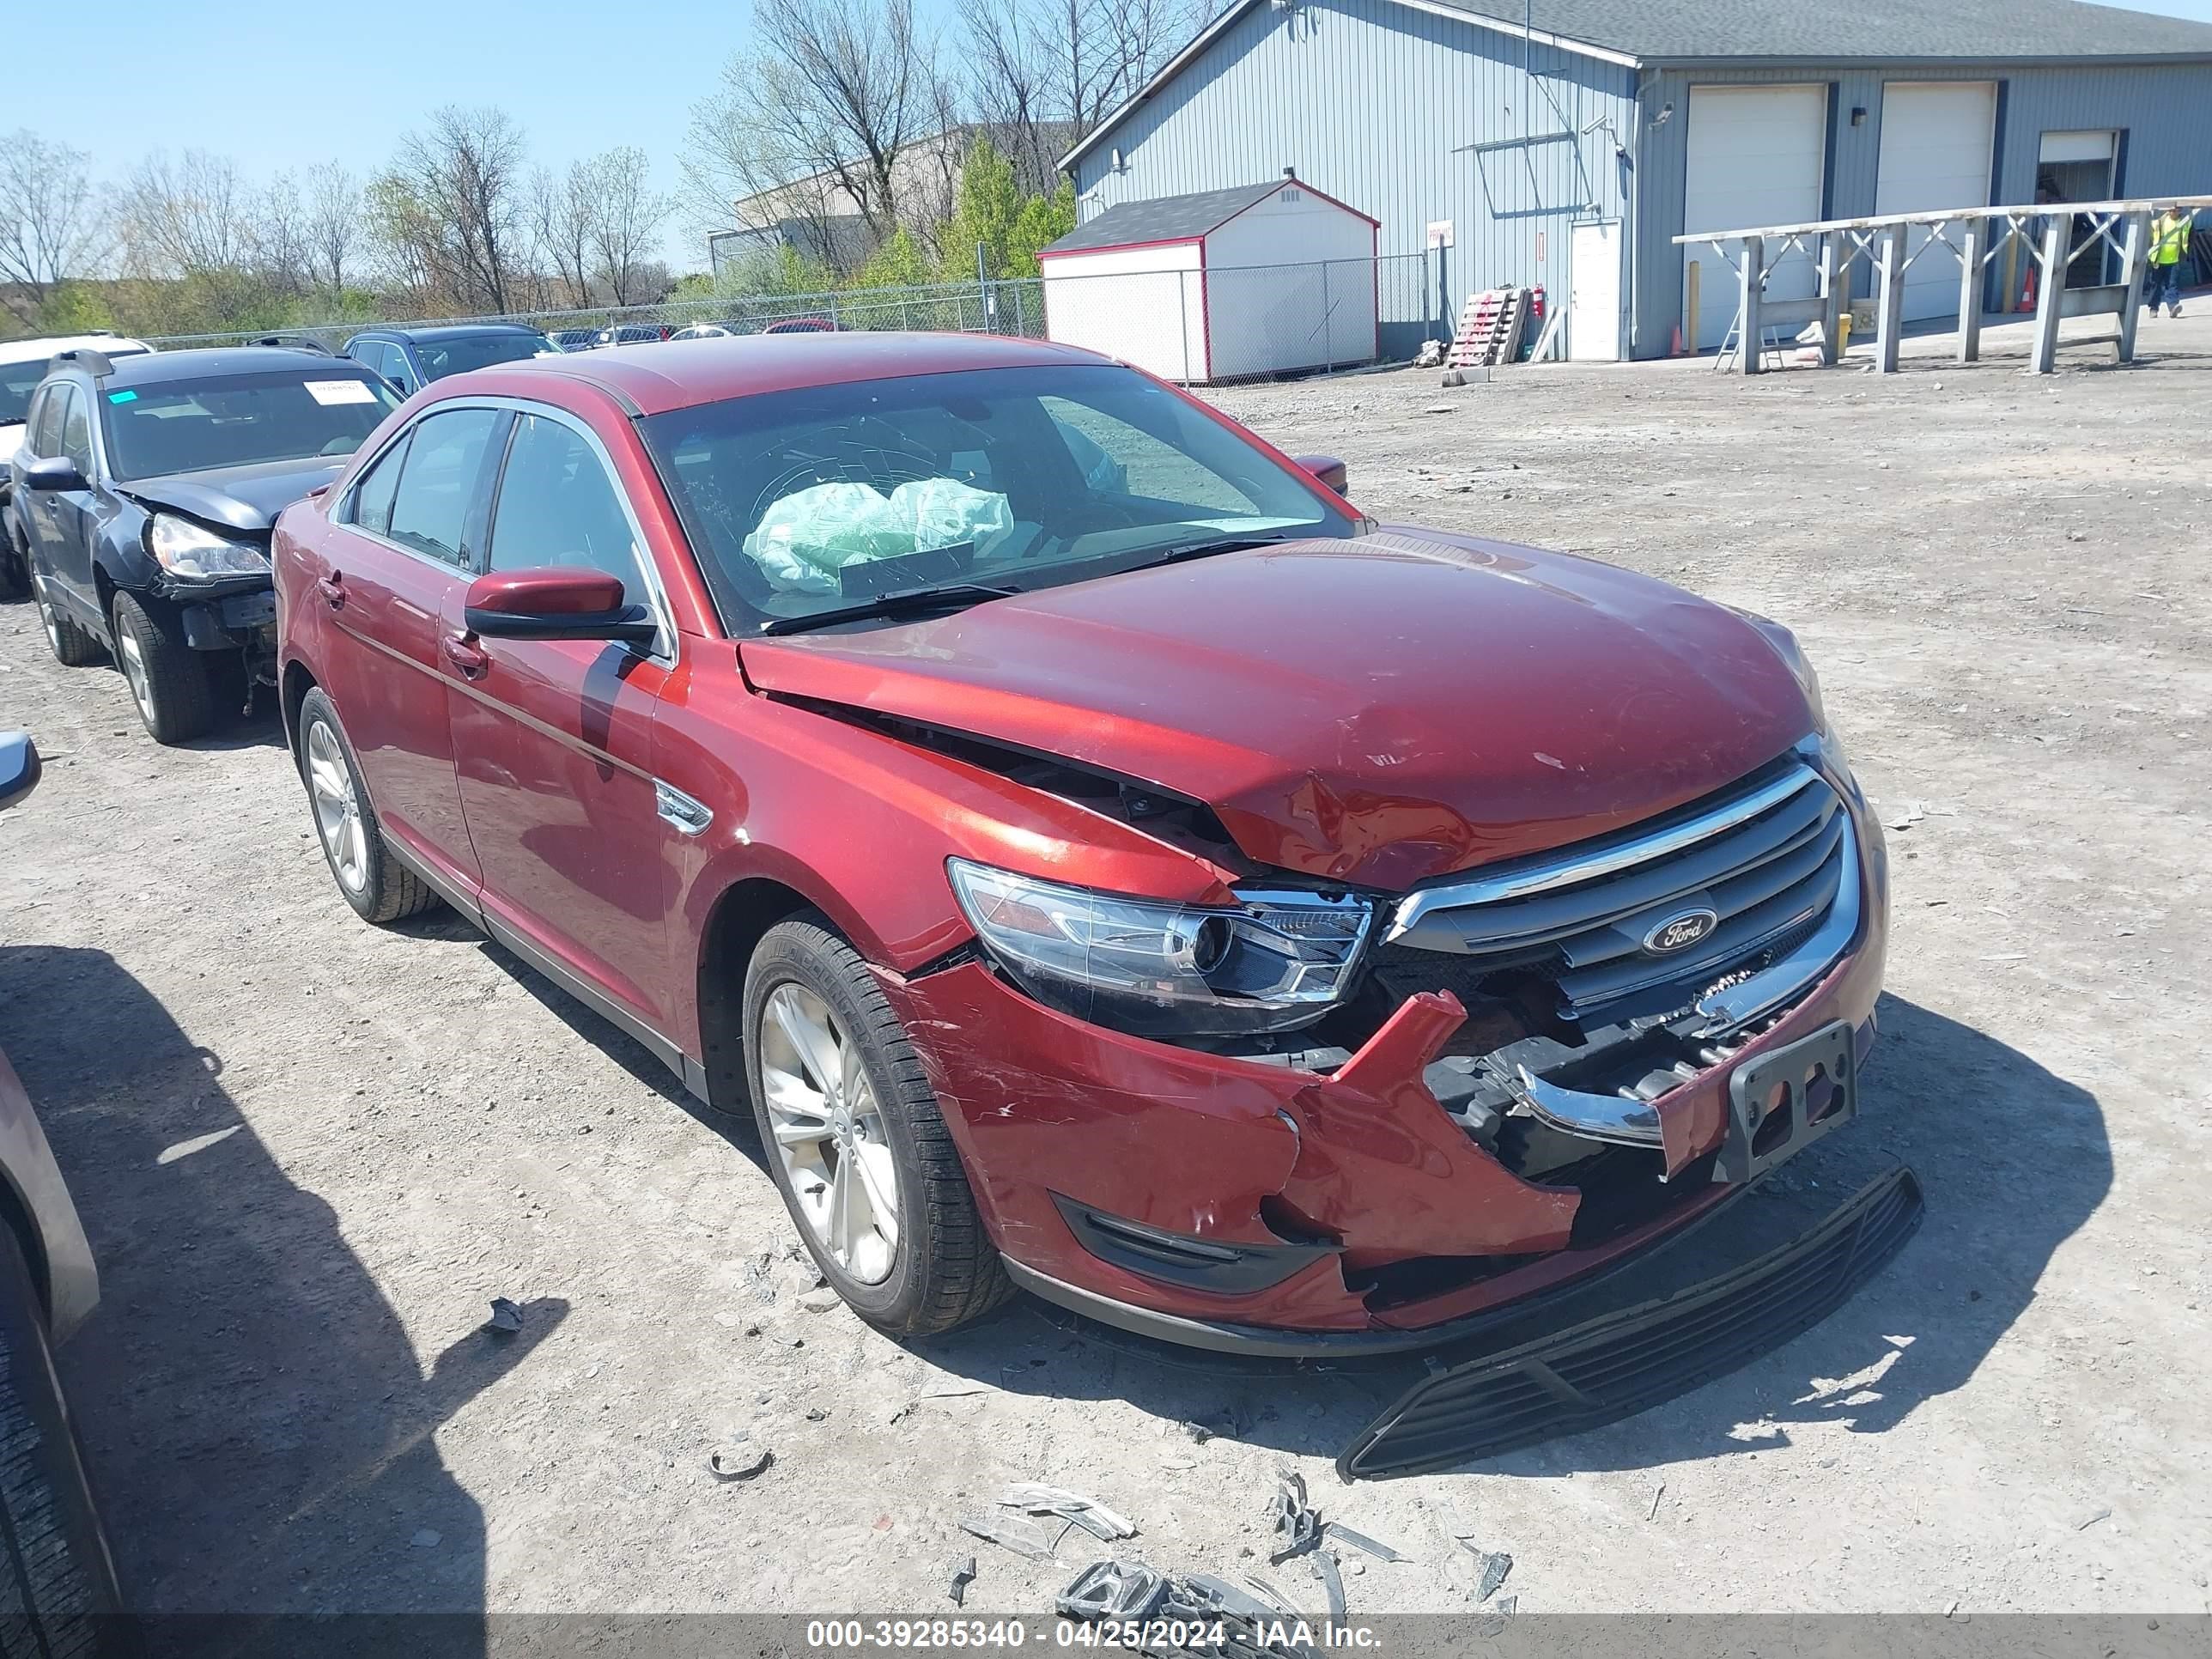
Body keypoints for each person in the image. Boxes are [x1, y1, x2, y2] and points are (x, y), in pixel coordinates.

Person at [2146, 206, 2192, 318]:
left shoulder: (2185, 223)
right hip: (2158, 260)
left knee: (2172, 285)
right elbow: (2150, 238)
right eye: (2171, 210)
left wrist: (2186, 253)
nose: (2173, 212)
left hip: (2174, 260)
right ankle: (2153, 309)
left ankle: (2173, 307)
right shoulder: (2158, 222)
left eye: (2175, 210)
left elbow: (2190, 238)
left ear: (2180, 211)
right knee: (2155, 285)